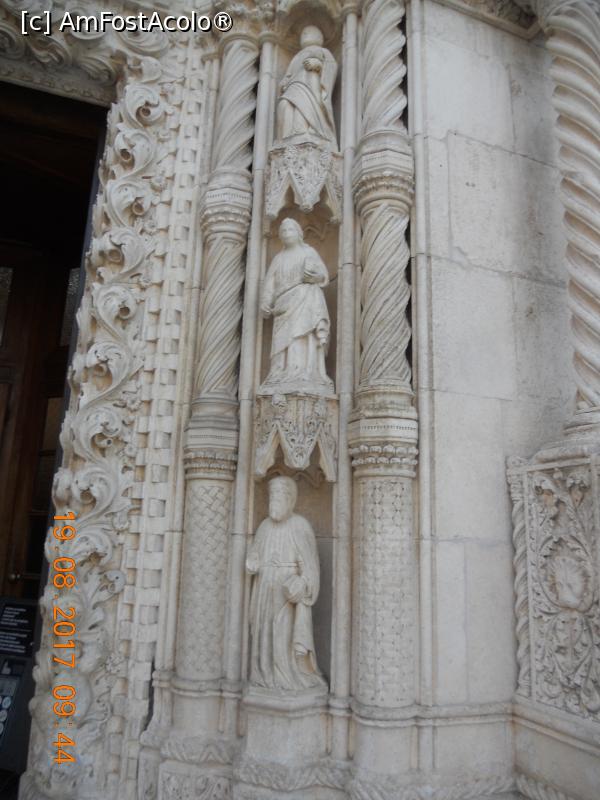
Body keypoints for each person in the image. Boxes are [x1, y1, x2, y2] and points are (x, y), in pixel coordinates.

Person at [246, 476, 326, 691]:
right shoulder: (264, 526)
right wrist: (253, 562)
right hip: (264, 589)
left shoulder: (300, 526)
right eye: (272, 495)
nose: (274, 500)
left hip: (287, 594)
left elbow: (310, 566)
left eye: (280, 495)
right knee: (264, 635)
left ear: (290, 499)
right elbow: (255, 553)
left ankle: (290, 678)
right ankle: (265, 676)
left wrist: (302, 582)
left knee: (284, 636)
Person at [260, 218, 333, 394]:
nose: (287, 233)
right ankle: (281, 373)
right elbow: (269, 283)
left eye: (290, 230)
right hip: (283, 305)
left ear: (299, 233)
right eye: (283, 231)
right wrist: (265, 302)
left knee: (302, 336)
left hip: (306, 299)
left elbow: (323, 275)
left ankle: (306, 373)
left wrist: (315, 278)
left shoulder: (309, 252)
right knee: (283, 340)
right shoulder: (278, 258)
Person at [277, 26, 338, 148]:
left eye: (308, 32)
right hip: (294, 87)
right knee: (284, 104)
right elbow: (289, 74)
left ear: (319, 37)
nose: (304, 35)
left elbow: (331, 67)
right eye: (303, 33)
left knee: (305, 109)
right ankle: (288, 137)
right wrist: (284, 82)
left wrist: (318, 65)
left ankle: (311, 131)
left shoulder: (323, 51)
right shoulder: (296, 57)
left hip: (311, 87)